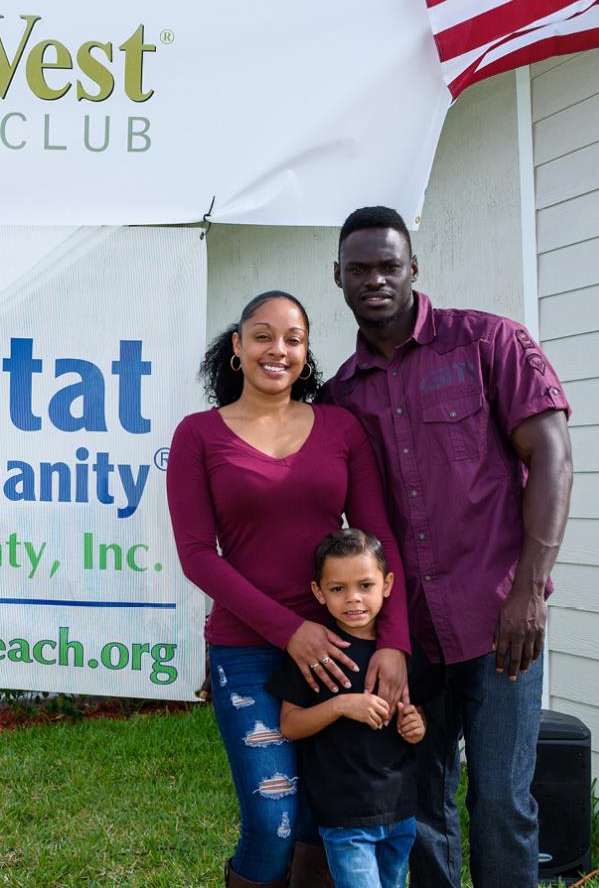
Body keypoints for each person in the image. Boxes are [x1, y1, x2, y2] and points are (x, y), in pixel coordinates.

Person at [318, 206, 573, 888]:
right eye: (360, 268)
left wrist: (530, 589)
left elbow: (552, 456)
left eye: (388, 265)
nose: (375, 279)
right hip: (413, 634)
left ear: (413, 269)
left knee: (501, 801)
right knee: (421, 800)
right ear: (338, 277)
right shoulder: (342, 394)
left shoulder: (489, 343)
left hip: (500, 624)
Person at [165, 290, 413, 888]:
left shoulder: (340, 428)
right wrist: (289, 629)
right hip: (247, 651)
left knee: (323, 817)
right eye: (263, 335)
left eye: (294, 338)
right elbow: (197, 555)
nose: (278, 349)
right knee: (273, 822)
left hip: (340, 650)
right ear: (237, 347)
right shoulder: (198, 435)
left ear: (306, 352)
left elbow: (380, 541)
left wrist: (392, 642)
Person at [269, 529, 429, 888]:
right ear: (318, 592)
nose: (353, 599)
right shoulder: (315, 653)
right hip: (345, 816)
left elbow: (418, 712)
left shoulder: (402, 652)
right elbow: (290, 725)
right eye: (338, 588)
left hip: (401, 809)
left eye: (365, 585)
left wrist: (416, 724)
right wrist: (341, 705)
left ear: (387, 585)